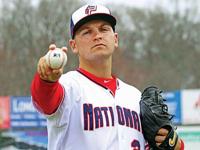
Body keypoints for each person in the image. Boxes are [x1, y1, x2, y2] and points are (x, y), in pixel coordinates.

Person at [31, 4, 184, 150]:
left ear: (115, 39)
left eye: (104, 29)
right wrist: (46, 79)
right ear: (73, 45)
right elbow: (44, 101)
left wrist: (176, 145)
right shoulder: (68, 86)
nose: (97, 36)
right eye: (87, 32)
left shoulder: (134, 97)